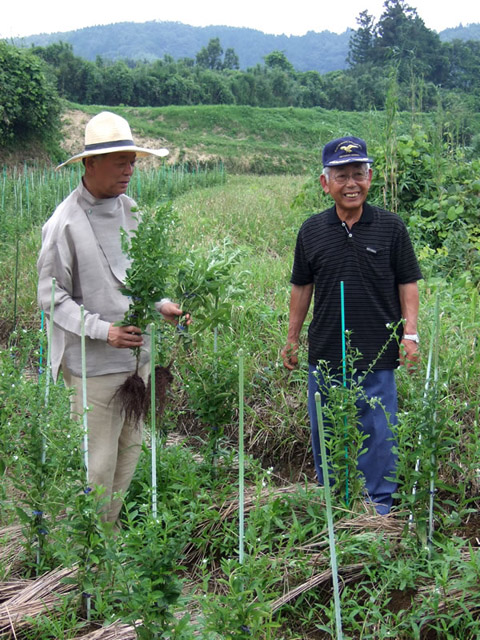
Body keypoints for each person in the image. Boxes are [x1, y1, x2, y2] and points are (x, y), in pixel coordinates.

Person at [37, 111, 188, 524]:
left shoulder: (129, 210)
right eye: (120, 160)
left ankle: (105, 543)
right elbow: (51, 298)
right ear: (89, 164)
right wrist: (104, 331)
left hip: (136, 364)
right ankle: (84, 556)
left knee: (128, 455)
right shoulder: (63, 223)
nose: (129, 169)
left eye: (133, 159)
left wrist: (162, 304)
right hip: (94, 368)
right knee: (97, 467)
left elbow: (137, 279)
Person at [281, 136, 422, 514]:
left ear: (370, 178)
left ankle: (379, 506)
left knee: (379, 430)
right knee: (327, 428)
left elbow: (407, 283)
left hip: (378, 350)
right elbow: (301, 286)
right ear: (325, 183)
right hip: (326, 351)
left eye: (358, 174)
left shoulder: (391, 227)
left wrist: (410, 335)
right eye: (341, 176)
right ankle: (334, 502)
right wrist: (292, 338)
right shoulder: (311, 230)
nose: (351, 184)